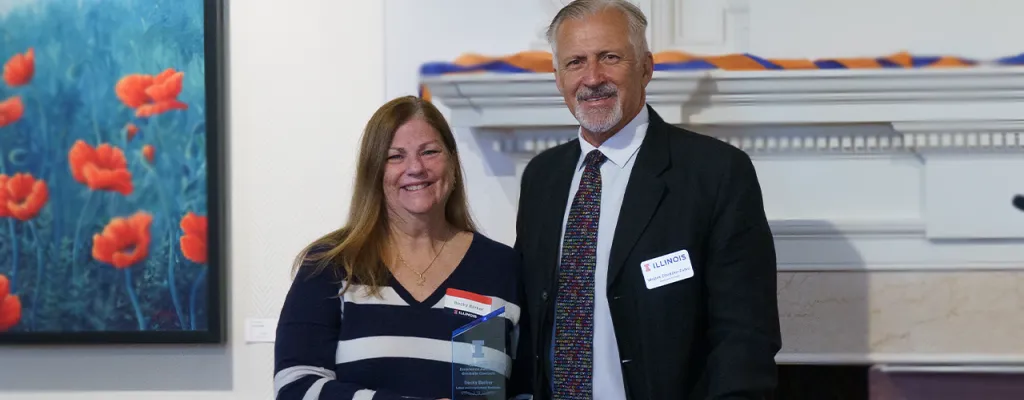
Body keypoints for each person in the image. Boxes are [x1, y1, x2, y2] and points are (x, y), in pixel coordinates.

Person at [513, 1, 782, 399]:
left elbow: (745, 337)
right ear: (558, 79)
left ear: (645, 67)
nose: (592, 77)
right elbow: (529, 320)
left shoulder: (716, 172)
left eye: (609, 57)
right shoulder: (541, 177)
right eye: (575, 62)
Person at [274, 96, 534, 400]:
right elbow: (295, 385)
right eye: (395, 156)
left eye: (430, 152)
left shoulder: (502, 267)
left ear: (452, 162)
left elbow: (528, 390)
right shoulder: (330, 264)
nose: (416, 168)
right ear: (374, 171)